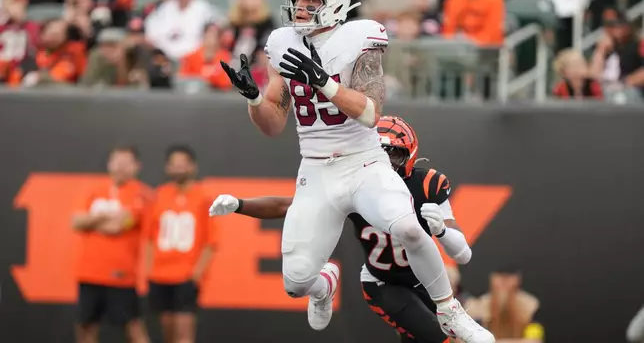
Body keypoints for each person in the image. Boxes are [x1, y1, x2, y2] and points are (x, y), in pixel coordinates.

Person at [219, 0, 493, 343]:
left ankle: (449, 310)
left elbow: (371, 113)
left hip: (362, 160)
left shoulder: (360, 38)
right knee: (296, 282)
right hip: (316, 168)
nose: (300, 5)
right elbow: (273, 125)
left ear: (334, 2)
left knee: (409, 228)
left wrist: (323, 83)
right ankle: (324, 285)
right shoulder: (283, 44)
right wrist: (251, 98)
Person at [211, 116, 479, 343]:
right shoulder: (355, 183)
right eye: (379, 152)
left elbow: (463, 255)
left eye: (394, 153)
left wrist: (442, 231)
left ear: (410, 154)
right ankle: (324, 284)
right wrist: (240, 204)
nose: (386, 162)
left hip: (423, 279)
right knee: (436, 337)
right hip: (383, 282)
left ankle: (449, 308)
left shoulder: (428, 184)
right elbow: (287, 206)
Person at [71, 145, 152, 343]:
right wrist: (106, 216)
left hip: (121, 275)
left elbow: (117, 226)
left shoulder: (142, 194)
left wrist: (94, 218)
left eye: (126, 163)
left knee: (133, 328)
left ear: (136, 166)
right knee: (85, 326)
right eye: (117, 161)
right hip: (89, 272)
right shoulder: (95, 190)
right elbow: (75, 222)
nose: (120, 167)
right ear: (109, 163)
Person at [145, 145, 217, 343]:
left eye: (183, 163)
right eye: (174, 164)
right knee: (167, 331)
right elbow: (150, 237)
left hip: (185, 275)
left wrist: (196, 274)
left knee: (184, 332)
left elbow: (211, 242)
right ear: (167, 168)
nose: (178, 168)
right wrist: (149, 270)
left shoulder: (203, 198)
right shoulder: (158, 195)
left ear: (192, 167)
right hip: (159, 275)